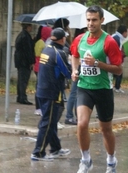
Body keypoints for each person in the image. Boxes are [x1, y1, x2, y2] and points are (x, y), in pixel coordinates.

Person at [70, 5, 122, 173]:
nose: (91, 23)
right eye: (88, 20)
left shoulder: (109, 42)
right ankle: (85, 160)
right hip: (85, 87)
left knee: (105, 129)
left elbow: (119, 70)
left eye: (94, 20)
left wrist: (97, 63)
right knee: (81, 124)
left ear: (102, 21)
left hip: (103, 90)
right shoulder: (80, 39)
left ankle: (111, 163)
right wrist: (75, 70)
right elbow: (74, 55)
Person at [31, 28, 72, 161]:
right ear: (62, 39)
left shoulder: (47, 49)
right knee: (47, 123)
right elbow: (67, 72)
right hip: (52, 92)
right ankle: (38, 153)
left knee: (51, 121)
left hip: (42, 90)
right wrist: (73, 64)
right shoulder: (58, 52)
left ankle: (55, 148)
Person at [65, 28, 86, 125]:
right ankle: (69, 116)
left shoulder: (76, 40)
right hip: (80, 67)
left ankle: (76, 116)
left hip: (79, 67)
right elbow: (74, 55)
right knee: (74, 93)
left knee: (77, 93)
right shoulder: (81, 40)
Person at [14, 23, 35, 105]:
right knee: (24, 80)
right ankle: (23, 97)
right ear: (28, 27)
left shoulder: (22, 35)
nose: (32, 28)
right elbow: (28, 51)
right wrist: (31, 62)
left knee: (21, 79)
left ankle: (20, 96)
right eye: (30, 26)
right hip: (24, 61)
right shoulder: (25, 37)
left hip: (20, 61)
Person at [33, 26, 51, 116]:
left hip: (39, 66)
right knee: (39, 87)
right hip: (39, 67)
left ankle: (40, 107)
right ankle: (38, 107)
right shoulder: (41, 43)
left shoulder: (43, 42)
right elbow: (38, 54)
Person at [111, 25, 128, 93]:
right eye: (127, 32)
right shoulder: (117, 38)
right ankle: (117, 87)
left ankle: (117, 86)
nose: (127, 34)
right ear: (124, 32)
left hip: (113, 60)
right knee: (118, 72)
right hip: (113, 61)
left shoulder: (116, 37)